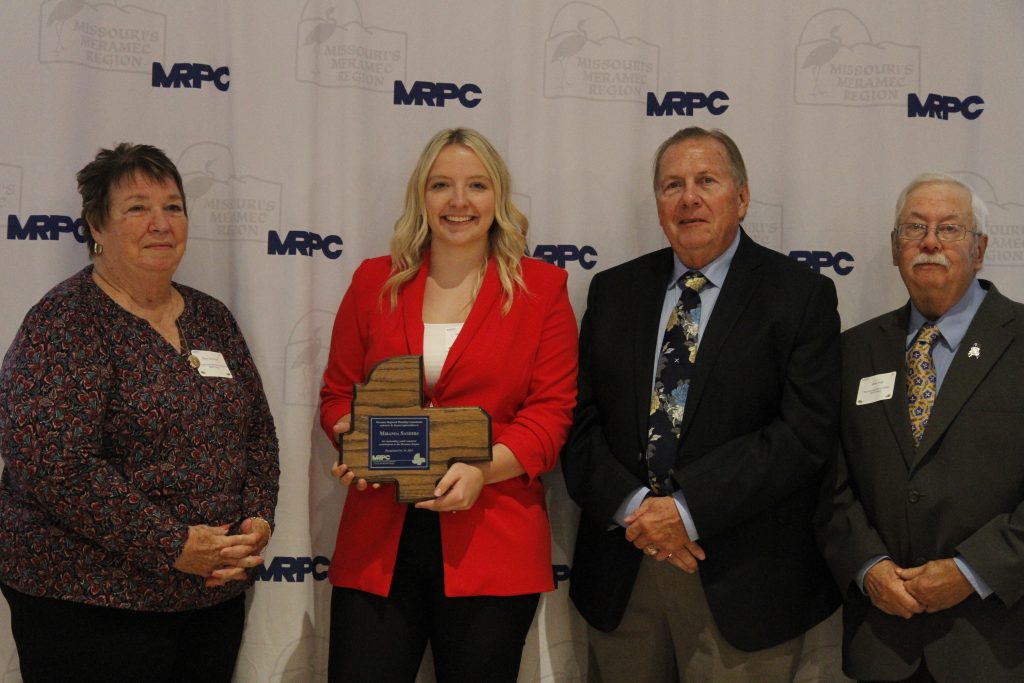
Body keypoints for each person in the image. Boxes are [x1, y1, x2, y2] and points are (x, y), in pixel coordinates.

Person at [562, 126, 842, 682]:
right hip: (624, 571)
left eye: (705, 181)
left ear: (741, 197)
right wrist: (639, 513)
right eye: (672, 185)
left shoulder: (800, 295)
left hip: (741, 581)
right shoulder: (613, 292)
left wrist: (686, 511)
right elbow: (579, 425)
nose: (688, 197)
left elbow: (802, 435)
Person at [0, 143, 279, 682]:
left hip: (209, 593)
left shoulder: (211, 318)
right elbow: (57, 466)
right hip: (89, 600)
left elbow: (259, 435)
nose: (160, 223)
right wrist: (173, 546)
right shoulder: (65, 322)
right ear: (96, 228)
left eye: (173, 207)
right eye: (137, 208)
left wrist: (256, 521)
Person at [319, 127, 578, 682]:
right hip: (379, 541)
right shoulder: (374, 282)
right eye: (442, 185)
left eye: (476, 186)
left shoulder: (542, 290)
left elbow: (551, 415)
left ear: (498, 198)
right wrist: (356, 445)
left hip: (493, 541)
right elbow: (338, 393)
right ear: (421, 197)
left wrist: (483, 471)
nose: (459, 202)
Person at [818, 173, 1024, 682]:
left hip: (995, 644)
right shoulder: (852, 351)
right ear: (894, 249)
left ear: (979, 250)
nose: (930, 242)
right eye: (915, 228)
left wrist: (972, 571)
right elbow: (829, 481)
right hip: (883, 639)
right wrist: (868, 567)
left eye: (949, 229)